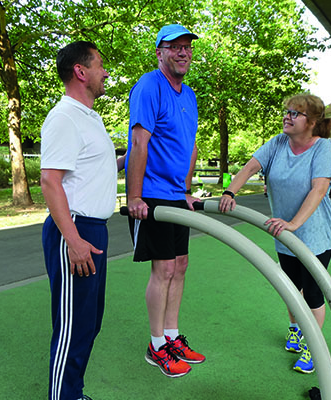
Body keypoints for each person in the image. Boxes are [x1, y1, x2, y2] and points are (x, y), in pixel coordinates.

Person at [219, 94, 331, 375]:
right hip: (284, 234)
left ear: (311, 122)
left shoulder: (322, 149)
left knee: (311, 294)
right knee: (291, 289)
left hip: (314, 235)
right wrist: (229, 191)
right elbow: (249, 167)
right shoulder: (278, 143)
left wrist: (294, 223)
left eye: (295, 113)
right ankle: (296, 330)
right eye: (286, 111)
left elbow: (318, 190)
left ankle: (313, 346)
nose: (287, 116)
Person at [40, 41, 125, 400]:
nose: (105, 73)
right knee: (72, 328)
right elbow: (50, 180)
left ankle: (73, 393)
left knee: (89, 324)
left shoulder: (89, 117)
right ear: (81, 71)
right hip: (74, 230)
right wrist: (73, 240)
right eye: (100, 65)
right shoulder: (64, 117)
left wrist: (136, 155)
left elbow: (94, 171)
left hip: (93, 229)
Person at [124, 24, 204, 379]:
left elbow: (190, 147)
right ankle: (156, 345)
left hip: (175, 195)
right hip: (152, 194)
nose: (183, 52)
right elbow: (139, 143)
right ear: (160, 53)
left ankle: (172, 337)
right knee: (165, 269)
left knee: (181, 264)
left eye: (187, 47)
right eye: (174, 47)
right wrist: (134, 196)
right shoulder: (148, 86)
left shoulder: (189, 96)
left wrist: (186, 189)